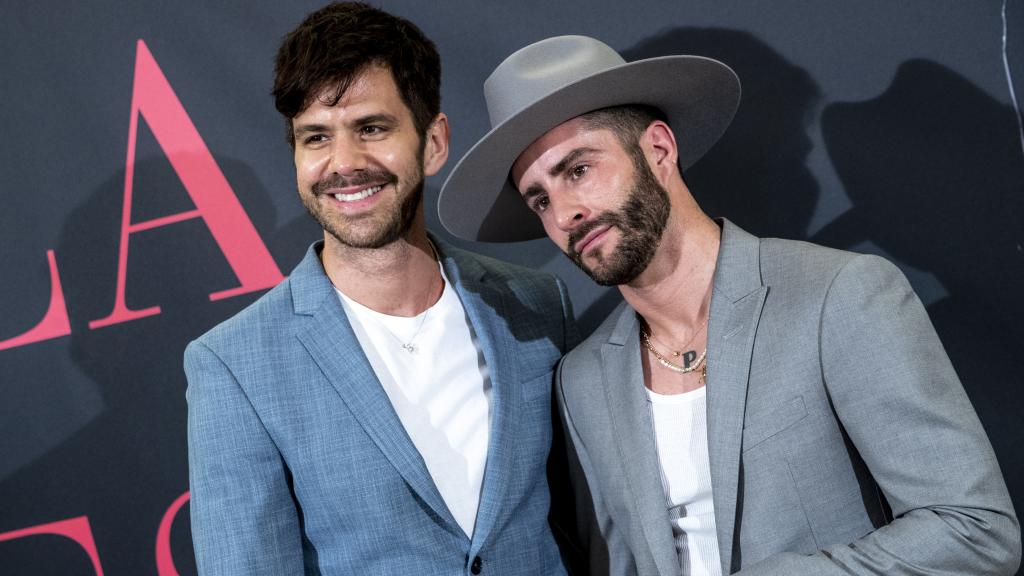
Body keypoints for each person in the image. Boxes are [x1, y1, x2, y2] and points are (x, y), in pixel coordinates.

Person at [438, 35, 1020, 575]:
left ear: (659, 149)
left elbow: (976, 531)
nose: (564, 214)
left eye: (580, 170)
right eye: (540, 198)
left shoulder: (838, 295)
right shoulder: (583, 380)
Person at [184, 5, 576, 575]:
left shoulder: (537, 305)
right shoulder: (234, 365)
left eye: (371, 128)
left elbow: (589, 526)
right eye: (315, 137)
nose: (344, 164)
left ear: (434, 142)